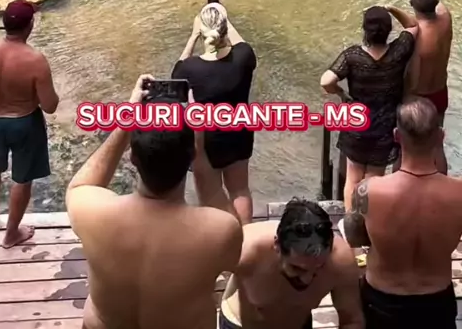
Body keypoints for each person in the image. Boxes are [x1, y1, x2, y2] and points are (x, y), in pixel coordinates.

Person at [66, 74, 243, 329]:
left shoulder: (92, 211)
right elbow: (236, 259)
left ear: (132, 158)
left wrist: (127, 120)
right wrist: (201, 156)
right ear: (191, 154)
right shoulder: (220, 230)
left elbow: (81, 184)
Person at [341, 97, 461, 328]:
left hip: (382, 300)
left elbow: (354, 237)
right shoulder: (459, 193)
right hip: (436, 303)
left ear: (396, 136)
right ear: (441, 136)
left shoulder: (368, 190)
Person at [320, 5, 418, 209]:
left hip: (357, 125)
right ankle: (370, 223)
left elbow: (326, 81)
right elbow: (413, 25)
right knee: (374, 180)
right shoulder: (398, 52)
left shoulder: (352, 56)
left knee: (353, 179)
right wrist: (391, 8)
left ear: (365, 30)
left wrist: (341, 93)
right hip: (384, 127)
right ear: (388, 30)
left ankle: (350, 221)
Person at [0, 0, 58, 247]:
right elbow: (50, 106)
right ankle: (11, 234)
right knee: (22, 178)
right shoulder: (35, 60)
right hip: (24, 123)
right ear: (30, 25)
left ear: (4, 23)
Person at [219, 198, 363, 329]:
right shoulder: (246, 249)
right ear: (277, 245)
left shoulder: (340, 262)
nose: (306, 279)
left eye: (318, 268)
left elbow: (352, 321)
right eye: (297, 268)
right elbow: (203, 291)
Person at [172, 2, 256, 223]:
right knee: (240, 190)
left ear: (202, 32)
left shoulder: (190, 68)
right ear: (225, 28)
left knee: (211, 194)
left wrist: (193, 36)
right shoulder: (243, 58)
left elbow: (175, 78)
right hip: (240, 133)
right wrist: (224, 18)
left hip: (207, 141)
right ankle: (245, 235)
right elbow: (241, 43)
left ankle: (221, 237)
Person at [387, 0, 452, 173]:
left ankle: (400, 185)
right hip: (440, 93)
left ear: (411, 3)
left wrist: (404, 99)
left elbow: (413, 78)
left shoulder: (415, 36)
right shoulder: (445, 16)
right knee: (437, 144)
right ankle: (441, 183)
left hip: (417, 97)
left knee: (404, 148)